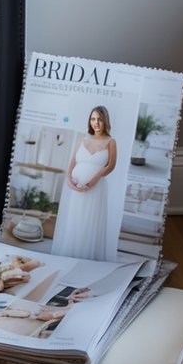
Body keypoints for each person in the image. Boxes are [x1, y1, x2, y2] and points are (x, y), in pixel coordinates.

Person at [51, 106, 117, 261]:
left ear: (105, 121)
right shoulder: (82, 140)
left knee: (89, 221)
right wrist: (69, 180)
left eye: (100, 119)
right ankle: (69, 256)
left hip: (95, 188)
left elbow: (111, 166)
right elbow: (72, 163)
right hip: (75, 188)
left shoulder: (111, 142)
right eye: (93, 119)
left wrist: (95, 179)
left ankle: (85, 258)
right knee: (74, 219)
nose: (96, 123)